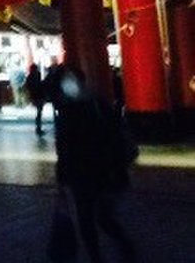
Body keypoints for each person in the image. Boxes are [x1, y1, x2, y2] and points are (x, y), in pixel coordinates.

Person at [53, 65, 138, 263]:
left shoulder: (73, 109)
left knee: (90, 218)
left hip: (89, 170)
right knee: (99, 217)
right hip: (98, 170)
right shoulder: (97, 105)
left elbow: (64, 147)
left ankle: (100, 255)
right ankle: (116, 248)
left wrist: (61, 176)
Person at [24, 62, 47, 135]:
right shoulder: (37, 75)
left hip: (34, 96)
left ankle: (38, 126)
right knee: (39, 111)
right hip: (39, 95)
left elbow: (28, 86)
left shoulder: (29, 77)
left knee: (39, 111)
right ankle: (38, 127)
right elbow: (40, 85)